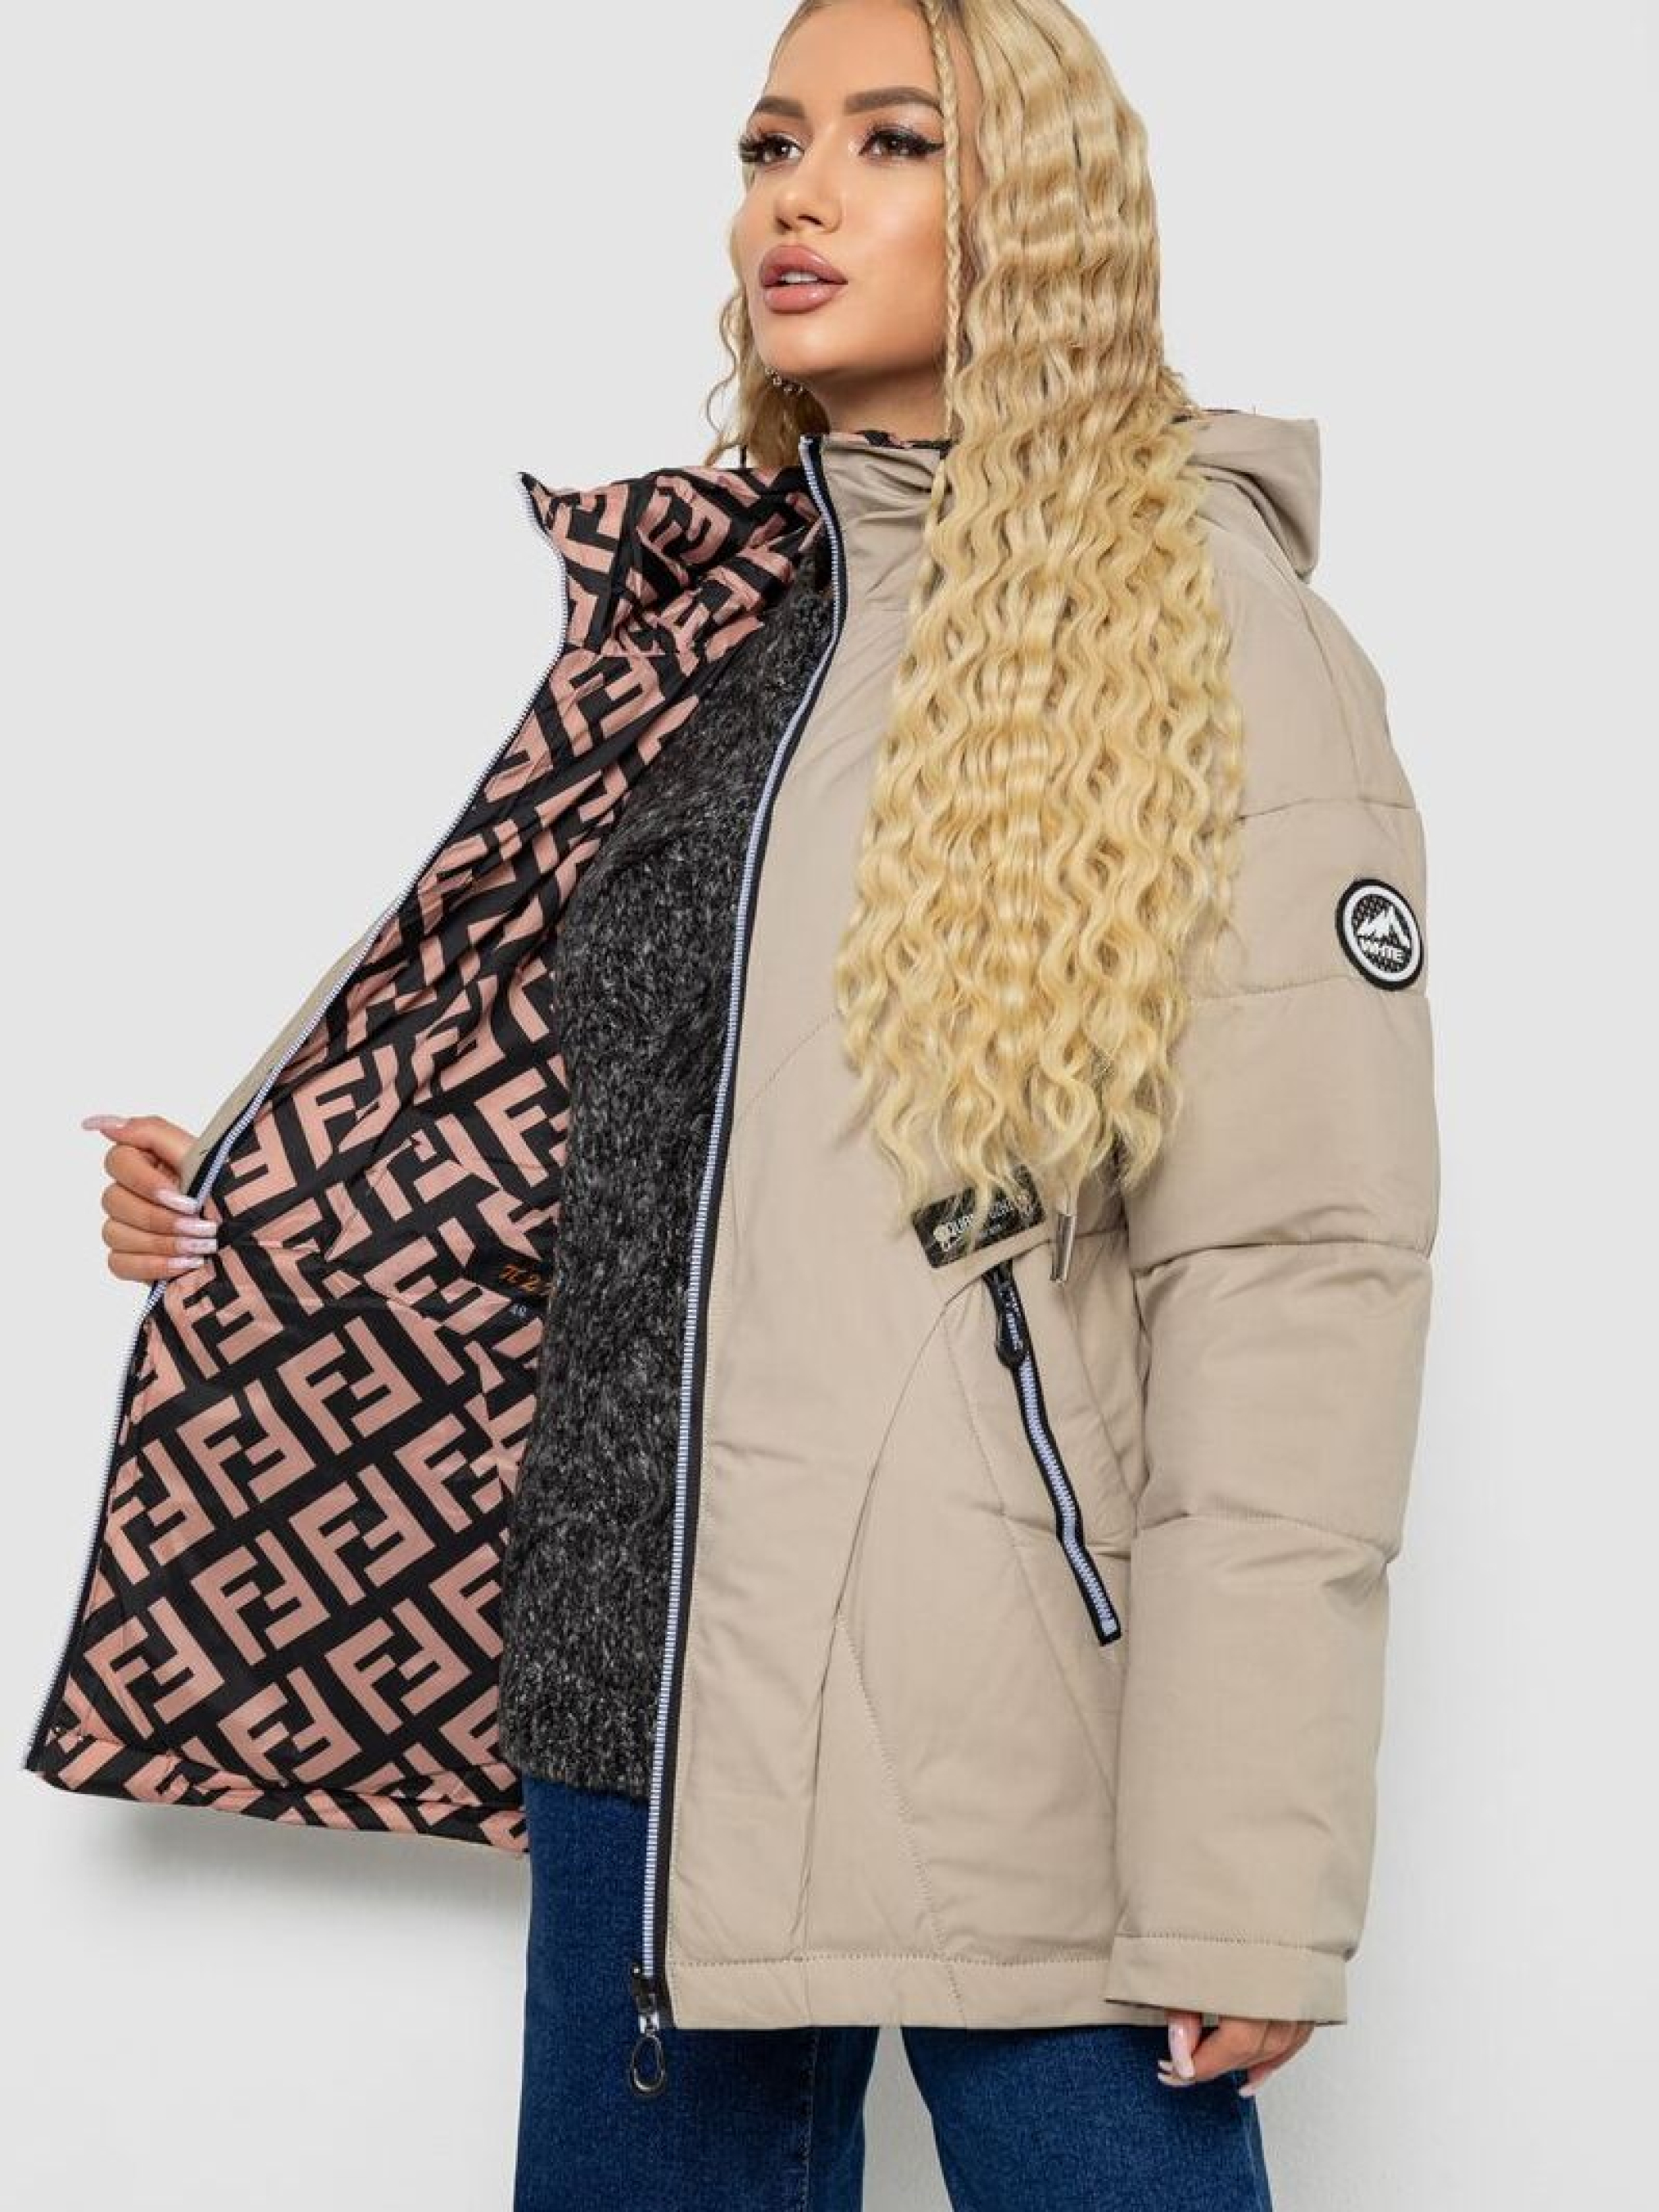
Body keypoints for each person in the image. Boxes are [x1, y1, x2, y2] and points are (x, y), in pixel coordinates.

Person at [47, 2, 1437, 2206]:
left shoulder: (1204, 624)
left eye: (892, 143)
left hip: (1012, 1734)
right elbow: (607, 1102)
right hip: (638, 1696)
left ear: (1041, 211)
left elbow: (1292, 1267)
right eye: (772, 142)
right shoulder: (722, 617)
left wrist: (1249, 1873)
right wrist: (258, 1192)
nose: (800, 195)